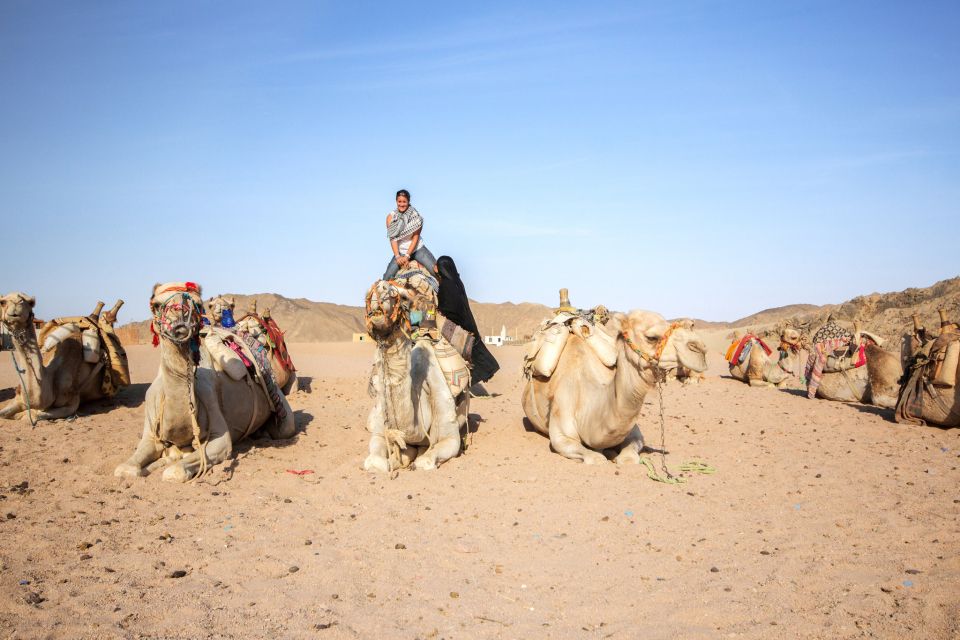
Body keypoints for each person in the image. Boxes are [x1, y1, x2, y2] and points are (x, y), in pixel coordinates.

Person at [435, 255, 500, 390]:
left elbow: (450, 308)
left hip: (458, 323)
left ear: (442, 268)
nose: (434, 267)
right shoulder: (456, 281)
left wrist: (439, 310)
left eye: (437, 265)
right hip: (466, 321)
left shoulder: (446, 285)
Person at [382, 189, 437, 280]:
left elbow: (416, 237)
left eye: (404, 202)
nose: (401, 204)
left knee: (436, 271)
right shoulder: (390, 217)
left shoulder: (416, 218)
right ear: (396, 201)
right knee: (386, 279)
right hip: (399, 252)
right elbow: (393, 239)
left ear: (408, 202)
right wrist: (397, 256)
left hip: (417, 249)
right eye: (399, 201)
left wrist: (407, 256)